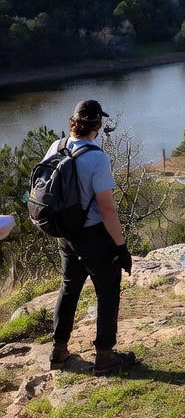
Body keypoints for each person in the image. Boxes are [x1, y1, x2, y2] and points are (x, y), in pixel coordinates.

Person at [47, 100, 137, 375]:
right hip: (94, 237)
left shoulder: (57, 146)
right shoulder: (97, 158)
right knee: (107, 293)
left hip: (66, 235)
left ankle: (58, 350)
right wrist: (121, 248)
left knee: (69, 289)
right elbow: (107, 209)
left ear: (74, 121)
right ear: (97, 125)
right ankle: (105, 356)